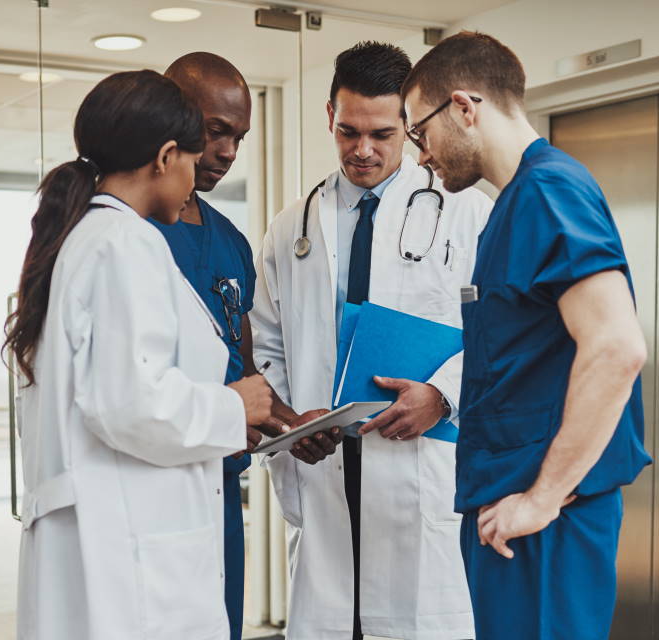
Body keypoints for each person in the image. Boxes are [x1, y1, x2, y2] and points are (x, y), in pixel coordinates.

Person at [4, 70, 273, 640]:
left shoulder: (87, 238)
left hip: (109, 530)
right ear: (167, 156)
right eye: (197, 154)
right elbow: (130, 404)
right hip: (128, 542)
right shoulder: (127, 243)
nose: (202, 173)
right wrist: (234, 405)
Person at [401, 32, 652, 640]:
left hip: (544, 521)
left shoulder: (548, 190)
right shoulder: (513, 205)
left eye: (418, 132)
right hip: (512, 510)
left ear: (464, 107)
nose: (421, 156)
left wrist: (542, 497)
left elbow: (617, 347)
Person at [252, 41, 493, 640]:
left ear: (409, 125)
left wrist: (442, 394)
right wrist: (289, 427)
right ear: (329, 114)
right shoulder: (292, 226)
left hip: (419, 465)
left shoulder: (466, 212)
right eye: (348, 130)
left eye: (382, 134)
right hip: (326, 466)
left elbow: (503, 334)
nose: (363, 149)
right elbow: (267, 345)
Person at [151, 51, 285, 640]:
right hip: (154, 485)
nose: (229, 152)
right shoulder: (128, 235)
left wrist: (291, 422)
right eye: (216, 131)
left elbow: (244, 366)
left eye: (240, 137)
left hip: (221, 482)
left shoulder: (231, 243)